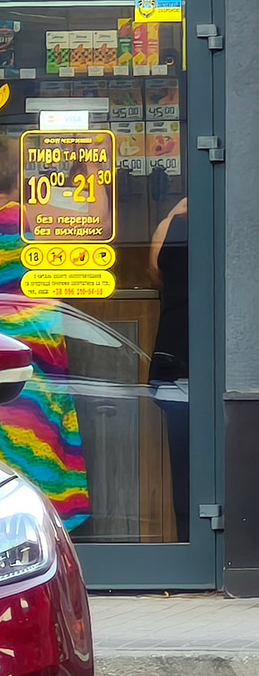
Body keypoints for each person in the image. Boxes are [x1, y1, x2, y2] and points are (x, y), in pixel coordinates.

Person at [0, 134, 91, 531]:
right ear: (19, 173)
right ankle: (41, 525)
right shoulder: (34, 217)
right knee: (38, 435)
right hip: (34, 347)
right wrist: (92, 167)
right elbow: (96, 218)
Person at [149, 197, 190, 541]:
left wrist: (173, 214)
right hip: (219, 353)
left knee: (183, 459)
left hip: (173, 350)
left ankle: (188, 538)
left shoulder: (169, 225)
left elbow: (155, 276)